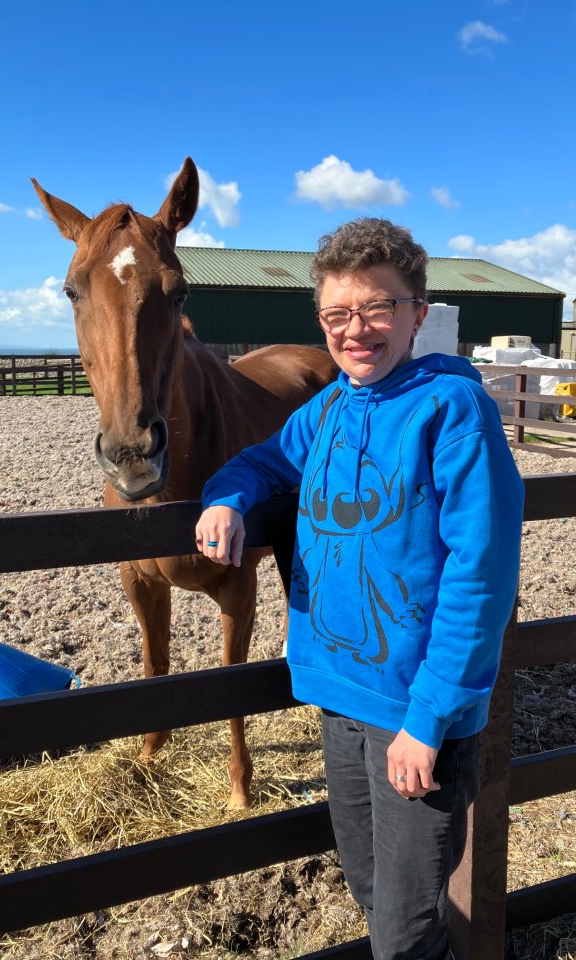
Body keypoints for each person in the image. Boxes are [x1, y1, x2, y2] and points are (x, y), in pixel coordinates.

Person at [195, 218, 524, 960]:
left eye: (378, 307)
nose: (357, 331)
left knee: (404, 934)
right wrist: (228, 497)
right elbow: (263, 461)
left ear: (417, 311)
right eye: (338, 314)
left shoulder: (453, 412)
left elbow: (482, 574)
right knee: (372, 893)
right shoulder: (332, 409)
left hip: (415, 716)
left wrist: (431, 719)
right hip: (338, 696)